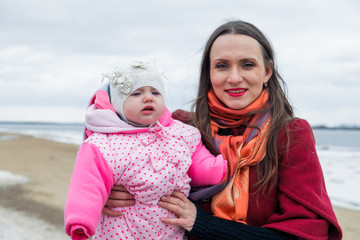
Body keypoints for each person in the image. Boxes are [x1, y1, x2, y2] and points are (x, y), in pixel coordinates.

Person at [102, 21, 343, 240]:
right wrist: (107, 194)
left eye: (247, 65)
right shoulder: (180, 128)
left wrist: (201, 223)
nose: (234, 77)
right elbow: (107, 137)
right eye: (222, 66)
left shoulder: (290, 134)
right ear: (209, 72)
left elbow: (305, 235)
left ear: (267, 71)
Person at [64, 61, 227, 240]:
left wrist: (213, 170)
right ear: (118, 104)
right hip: (121, 230)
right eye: (137, 93)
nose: (149, 98)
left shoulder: (180, 133)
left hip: (169, 231)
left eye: (155, 92)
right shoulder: (103, 144)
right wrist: (81, 220)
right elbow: (87, 186)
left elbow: (196, 158)